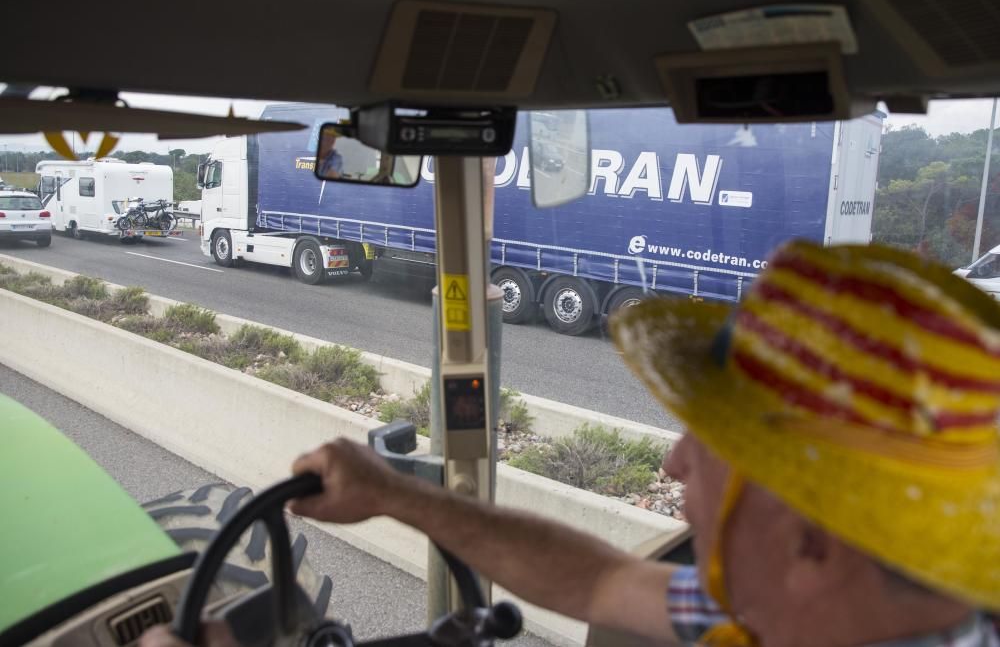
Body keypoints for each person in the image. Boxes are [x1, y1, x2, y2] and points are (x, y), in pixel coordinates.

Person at [142, 240, 1000, 647]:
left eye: (707, 443)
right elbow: (600, 578)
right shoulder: (797, 612)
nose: (672, 462)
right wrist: (397, 495)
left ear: (811, 541)